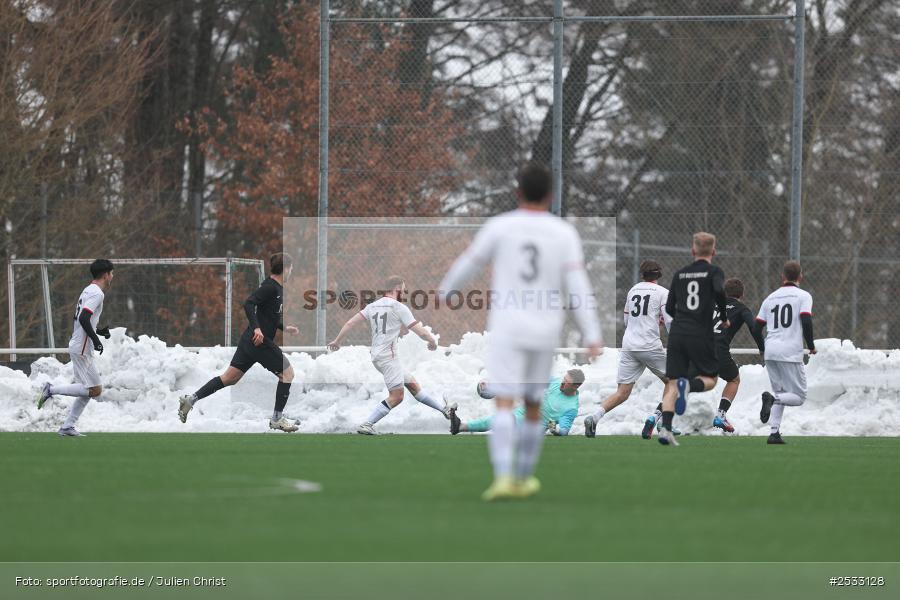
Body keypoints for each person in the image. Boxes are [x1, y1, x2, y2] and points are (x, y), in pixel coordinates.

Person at [439, 163, 602, 500]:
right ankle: (524, 477)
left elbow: (469, 262)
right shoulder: (563, 233)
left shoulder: (501, 226)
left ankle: (502, 478)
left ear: (518, 192)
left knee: (504, 403)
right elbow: (577, 284)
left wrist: (447, 290)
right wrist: (591, 332)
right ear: (551, 195)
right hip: (544, 330)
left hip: (507, 327)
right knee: (531, 406)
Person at [178, 253, 300, 432]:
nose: (291, 272)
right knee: (288, 374)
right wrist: (258, 329)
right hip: (260, 342)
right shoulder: (271, 288)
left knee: (229, 378)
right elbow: (249, 303)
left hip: (249, 341)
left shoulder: (275, 288)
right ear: (285, 269)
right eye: (291, 268)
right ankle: (277, 419)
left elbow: (268, 315)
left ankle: (191, 400)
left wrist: (284, 327)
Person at [327, 276, 453, 435]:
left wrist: (337, 340)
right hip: (388, 357)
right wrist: (432, 341)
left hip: (377, 356)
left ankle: (444, 410)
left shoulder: (372, 306)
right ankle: (367, 423)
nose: (405, 293)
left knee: (413, 385)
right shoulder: (399, 307)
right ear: (398, 288)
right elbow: (418, 330)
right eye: (404, 290)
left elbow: (350, 323)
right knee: (397, 396)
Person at [583, 260, 672, 439]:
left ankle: (595, 417)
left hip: (629, 345)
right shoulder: (663, 293)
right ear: (659, 276)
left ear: (642, 275)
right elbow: (669, 320)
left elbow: (626, 320)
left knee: (622, 392)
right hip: (649, 345)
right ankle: (658, 419)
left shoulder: (633, 291)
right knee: (674, 383)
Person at [656, 232, 728, 446]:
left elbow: (669, 308)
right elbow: (718, 290)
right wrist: (723, 317)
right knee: (711, 379)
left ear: (692, 251)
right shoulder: (715, 271)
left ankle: (666, 428)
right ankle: (688, 386)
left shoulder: (680, 274)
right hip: (700, 333)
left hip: (677, 333)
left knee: (671, 382)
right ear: (713, 251)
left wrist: (682, 322)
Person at [36, 259, 114, 436]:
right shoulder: (97, 294)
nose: (112, 277)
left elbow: (83, 319)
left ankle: (67, 427)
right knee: (94, 389)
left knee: (89, 389)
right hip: (82, 347)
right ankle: (51, 389)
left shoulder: (88, 289)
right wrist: (95, 339)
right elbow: (84, 318)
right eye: (112, 273)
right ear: (105, 275)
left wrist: (99, 332)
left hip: (79, 344)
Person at [756, 261, 816, 444]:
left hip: (771, 351)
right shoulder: (803, 296)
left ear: (783, 277)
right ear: (800, 276)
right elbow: (806, 321)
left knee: (780, 392)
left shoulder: (770, 298)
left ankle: (774, 433)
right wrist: (811, 345)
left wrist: (762, 347)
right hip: (790, 352)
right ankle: (772, 399)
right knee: (798, 397)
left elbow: (756, 326)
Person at [707, 277, 766, 433]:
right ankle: (720, 415)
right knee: (734, 379)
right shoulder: (741, 308)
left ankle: (661, 416)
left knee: (685, 382)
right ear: (742, 294)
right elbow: (754, 328)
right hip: (719, 350)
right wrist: (762, 348)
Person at [452, 370, 585, 436]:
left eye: (566, 381)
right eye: (563, 378)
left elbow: (564, 430)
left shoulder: (571, 408)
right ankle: (460, 427)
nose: (562, 382)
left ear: (576, 385)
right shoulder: (556, 382)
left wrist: (555, 429)